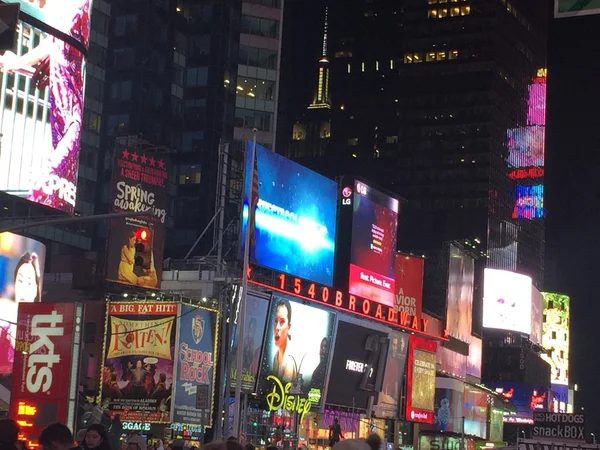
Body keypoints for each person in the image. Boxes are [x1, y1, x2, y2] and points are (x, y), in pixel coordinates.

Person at [0, 0, 90, 213]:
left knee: (42, 191)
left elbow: (61, 38)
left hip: (71, 130)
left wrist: (19, 61)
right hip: (67, 130)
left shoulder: (74, 8)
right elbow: (58, 40)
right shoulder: (67, 18)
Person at [272, 299, 296, 382]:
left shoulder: (289, 361)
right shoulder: (276, 357)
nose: (277, 327)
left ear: (289, 327)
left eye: (282, 321)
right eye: (276, 321)